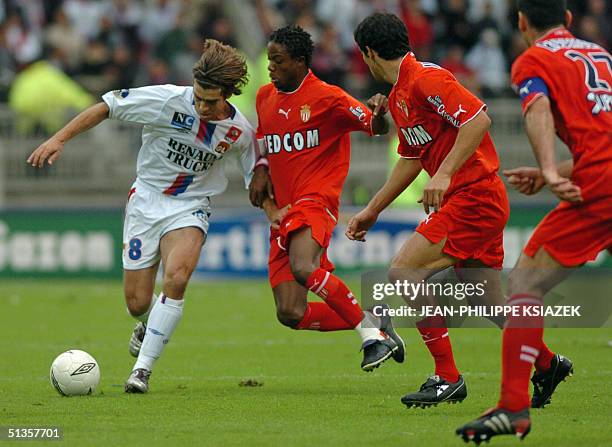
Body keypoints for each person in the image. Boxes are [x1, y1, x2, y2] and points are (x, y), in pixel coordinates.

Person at [27, 39, 258, 393]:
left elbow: (255, 175)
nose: (201, 106)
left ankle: (142, 371)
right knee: (136, 304)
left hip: (190, 205)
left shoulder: (240, 131)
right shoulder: (166, 99)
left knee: (177, 278)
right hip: (146, 201)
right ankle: (150, 324)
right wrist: (60, 139)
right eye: (197, 96)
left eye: (210, 101)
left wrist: (273, 207)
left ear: (228, 94)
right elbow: (106, 107)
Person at [457, 0, 611, 442]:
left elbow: (537, 109)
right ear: (566, 19)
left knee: (524, 284)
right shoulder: (599, 54)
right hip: (600, 171)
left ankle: (512, 408)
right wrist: (554, 174)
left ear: (522, 22)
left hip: (601, 185)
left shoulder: (534, 59)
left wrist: (547, 168)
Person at [350, 12, 509, 407]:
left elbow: (478, 120)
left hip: (475, 196)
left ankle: (447, 377)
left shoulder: (424, 80)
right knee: (487, 302)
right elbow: (410, 157)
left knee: (405, 272)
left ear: (369, 53)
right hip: (470, 198)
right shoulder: (402, 92)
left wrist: (443, 175)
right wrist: (373, 209)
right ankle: (546, 362)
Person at [248, 25, 405, 371]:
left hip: (316, 202)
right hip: (283, 211)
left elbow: (375, 128)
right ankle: (375, 321)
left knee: (304, 267)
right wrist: (260, 166)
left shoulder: (327, 97)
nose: (270, 67)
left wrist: (380, 115)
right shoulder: (264, 97)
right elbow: (262, 137)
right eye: (269, 60)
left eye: (278, 61)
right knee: (291, 313)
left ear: (301, 61)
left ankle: (370, 338)